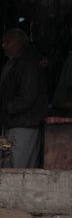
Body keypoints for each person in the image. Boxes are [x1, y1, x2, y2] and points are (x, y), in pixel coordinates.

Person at [0, 28, 48, 168]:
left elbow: (28, 96)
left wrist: (8, 107)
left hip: (23, 125)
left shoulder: (29, 63)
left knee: (19, 168)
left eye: (7, 41)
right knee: (7, 164)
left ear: (19, 43)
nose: (4, 45)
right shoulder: (13, 62)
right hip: (10, 124)